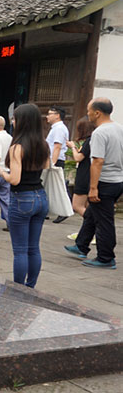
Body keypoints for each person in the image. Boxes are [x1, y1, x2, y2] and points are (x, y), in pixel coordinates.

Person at [0, 103, 50, 288]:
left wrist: (2, 173)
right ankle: (30, 287)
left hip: (22, 198)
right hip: (41, 197)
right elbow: (47, 166)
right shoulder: (44, 144)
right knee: (34, 248)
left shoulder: (17, 147)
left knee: (20, 250)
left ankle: (18, 289)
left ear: (22, 121)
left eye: (15, 118)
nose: (13, 122)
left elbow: (15, 179)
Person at [65, 98, 123, 269]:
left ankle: (106, 258)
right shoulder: (119, 128)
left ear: (97, 113)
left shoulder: (99, 133)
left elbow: (97, 161)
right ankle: (81, 245)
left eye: (89, 110)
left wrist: (93, 188)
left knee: (104, 221)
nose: (87, 113)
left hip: (104, 181)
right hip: (117, 180)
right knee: (92, 213)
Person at [65, 117, 97, 227]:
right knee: (88, 207)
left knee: (77, 205)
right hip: (91, 174)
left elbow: (78, 158)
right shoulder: (94, 140)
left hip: (84, 175)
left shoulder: (89, 141)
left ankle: (94, 225)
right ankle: (90, 229)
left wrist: (73, 147)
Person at [46, 105, 70, 223]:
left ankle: (64, 211)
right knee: (50, 185)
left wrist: (53, 163)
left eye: (50, 114)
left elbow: (57, 146)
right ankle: (46, 210)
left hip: (56, 160)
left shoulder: (59, 128)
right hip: (53, 159)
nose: (47, 116)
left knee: (59, 186)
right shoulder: (56, 128)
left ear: (57, 116)